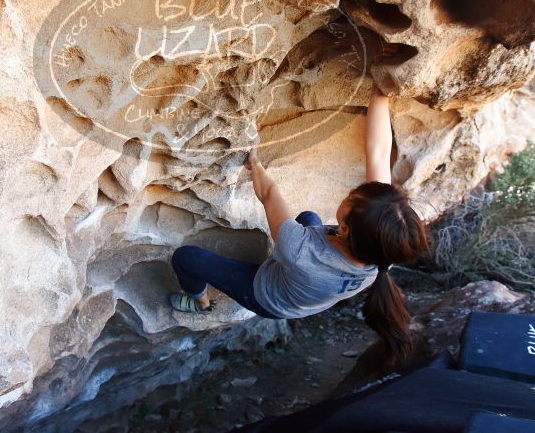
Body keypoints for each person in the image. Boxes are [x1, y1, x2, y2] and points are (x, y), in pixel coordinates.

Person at [168, 84, 429, 363]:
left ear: (344, 229)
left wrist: (254, 163)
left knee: (187, 258)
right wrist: (381, 91)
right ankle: (280, 271)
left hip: (266, 297)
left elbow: (268, 193)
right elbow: (378, 151)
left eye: (353, 197)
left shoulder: (298, 248)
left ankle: (200, 303)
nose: (353, 192)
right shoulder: (381, 253)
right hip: (307, 291)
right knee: (307, 219)